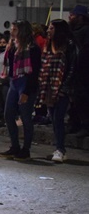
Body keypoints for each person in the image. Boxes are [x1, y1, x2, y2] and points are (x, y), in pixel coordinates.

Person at [0, 20, 42, 161]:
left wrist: (27, 92)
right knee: (8, 114)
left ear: (22, 31)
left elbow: (34, 72)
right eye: (12, 29)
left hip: (26, 82)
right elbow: (10, 66)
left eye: (15, 29)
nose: (12, 32)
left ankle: (26, 149)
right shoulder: (12, 46)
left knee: (25, 116)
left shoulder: (32, 48)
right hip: (14, 81)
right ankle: (15, 146)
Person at [36, 19, 77, 163]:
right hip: (49, 87)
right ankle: (58, 148)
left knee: (58, 118)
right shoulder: (48, 45)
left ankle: (60, 149)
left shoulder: (69, 46)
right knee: (53, 118)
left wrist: (64, 88)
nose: (48, 31)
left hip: (62, 88)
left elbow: (72, 69)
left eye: (51, 28)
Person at [67, 5, 89, 137]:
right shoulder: (72, 31)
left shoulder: (85, 31)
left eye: (73, 15)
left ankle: (85, 125)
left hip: (83, 71)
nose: (70, 17)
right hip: (74, 70)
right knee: (73, 99)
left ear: (80, 17)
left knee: (82, 98)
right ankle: (74, 123)